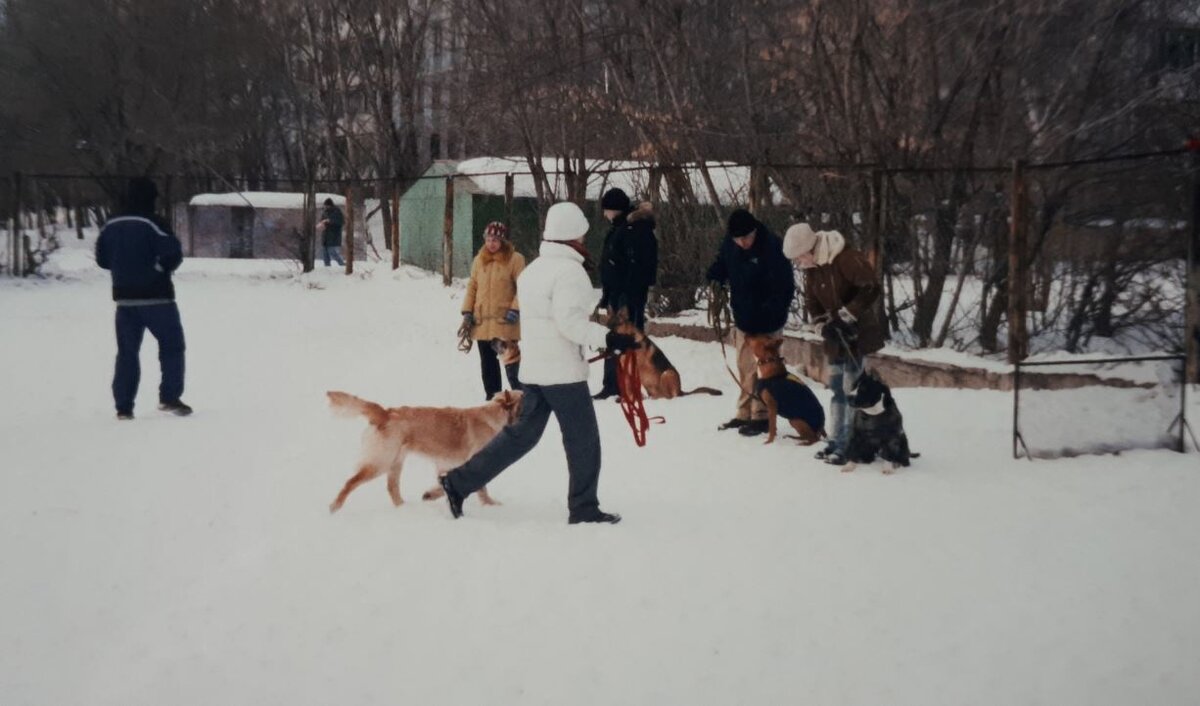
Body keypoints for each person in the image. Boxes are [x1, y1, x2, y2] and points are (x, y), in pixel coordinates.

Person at [438, 201, 638, 524]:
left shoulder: (533, 270)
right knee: (584, 441)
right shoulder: (570, 272)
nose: (584, 242)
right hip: (563, 375)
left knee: (519, 438)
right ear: (572, 236)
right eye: (582, 236)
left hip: (534, 372)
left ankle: (457, 482)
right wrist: (610, 339)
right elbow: (570, 324)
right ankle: (584, 507)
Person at [783, 223, 884, 465]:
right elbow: (813, 303)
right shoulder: (814, 267)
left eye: (798, 257)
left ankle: (853, 444)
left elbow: (871, 287)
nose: (798, 263)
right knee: (838, 390)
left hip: (857, 335)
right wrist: (822, 325)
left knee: (852, 390)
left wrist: (847, 315)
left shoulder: (845, 257)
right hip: (836, 337)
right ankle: (837, 441)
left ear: (808, 248)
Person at [95, 177, 191, 420]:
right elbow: (173, 254)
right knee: (172, 346)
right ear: (151, 198)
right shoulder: (153, 223)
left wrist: (123, 270)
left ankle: (124, 407)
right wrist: (156, 270)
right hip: (157, 298)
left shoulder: (110, 224)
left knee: (127, 352)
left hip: (124, 301)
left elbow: (102, 259)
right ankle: (169, 397)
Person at [705, 208, 795, 436]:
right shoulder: (730, 245)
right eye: (737, 239)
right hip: (744, 318)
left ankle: (762, 415)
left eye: (746, 238)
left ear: (754, 231)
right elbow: (723, 264)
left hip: (768, 321)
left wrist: (770, 312)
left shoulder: (773, 247)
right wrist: (715, 275)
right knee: (745, 367)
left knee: (765, 370)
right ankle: (744, 413)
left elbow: (784, 287)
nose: (742, 243)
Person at [594, 187, 659, 400]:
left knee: (628, 340)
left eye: (607, 209)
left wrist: (626, 296)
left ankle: (628, 385)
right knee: (614, 338)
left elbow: (637, 267)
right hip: (616, 295)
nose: (605, 214)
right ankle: (612, 384)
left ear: (615, 209)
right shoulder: (621, 228)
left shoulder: (634, 229)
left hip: (629, 296)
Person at [462, 221, 525, 399]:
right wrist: (467, 312)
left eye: (496, 240)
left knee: (511, 363)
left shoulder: (515, 259)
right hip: (481, 321)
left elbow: (523, 287)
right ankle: (493, 399)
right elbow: (472, 287)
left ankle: (520, 397)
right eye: (488, 239)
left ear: (503, 241)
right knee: (488, 364)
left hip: (505, 321)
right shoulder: (479, 260)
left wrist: (515, 309)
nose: (491, 243)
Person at [318, 198, 345, 267]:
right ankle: (327, 267)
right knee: (325, 253)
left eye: (326, 206)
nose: (325, 207)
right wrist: (321, 224)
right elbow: (322, 220)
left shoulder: (336, 212)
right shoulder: (325, 212)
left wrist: (330, 221)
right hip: (325, 236)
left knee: (332, 252)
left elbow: (340, 222)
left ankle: (342, 264)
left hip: (333, 236)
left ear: (330, 205)